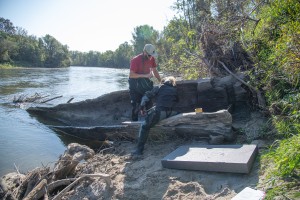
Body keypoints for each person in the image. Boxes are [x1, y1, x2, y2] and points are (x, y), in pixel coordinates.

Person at [131, 76, 179, 156]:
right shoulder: (174, 90)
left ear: (164, 81)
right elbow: (176, 100)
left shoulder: (159, 87)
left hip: (160, 113)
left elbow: (146, 96)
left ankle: (139, 150)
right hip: (171, 113)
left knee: (144, 127)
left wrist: (142, 107)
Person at [128, 44, 161, 121]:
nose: (150, 57)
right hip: (135, 84)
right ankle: (134, 123)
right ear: (144, 52)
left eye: (151, 55)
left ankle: (148, 122)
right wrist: (146, 75)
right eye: (149, 55)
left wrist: (161, 80)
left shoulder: (152, 58)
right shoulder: (135, 60)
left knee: (150, 102)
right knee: (136, 106)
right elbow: (131, 75)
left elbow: (155, 71)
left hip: (145, 84)